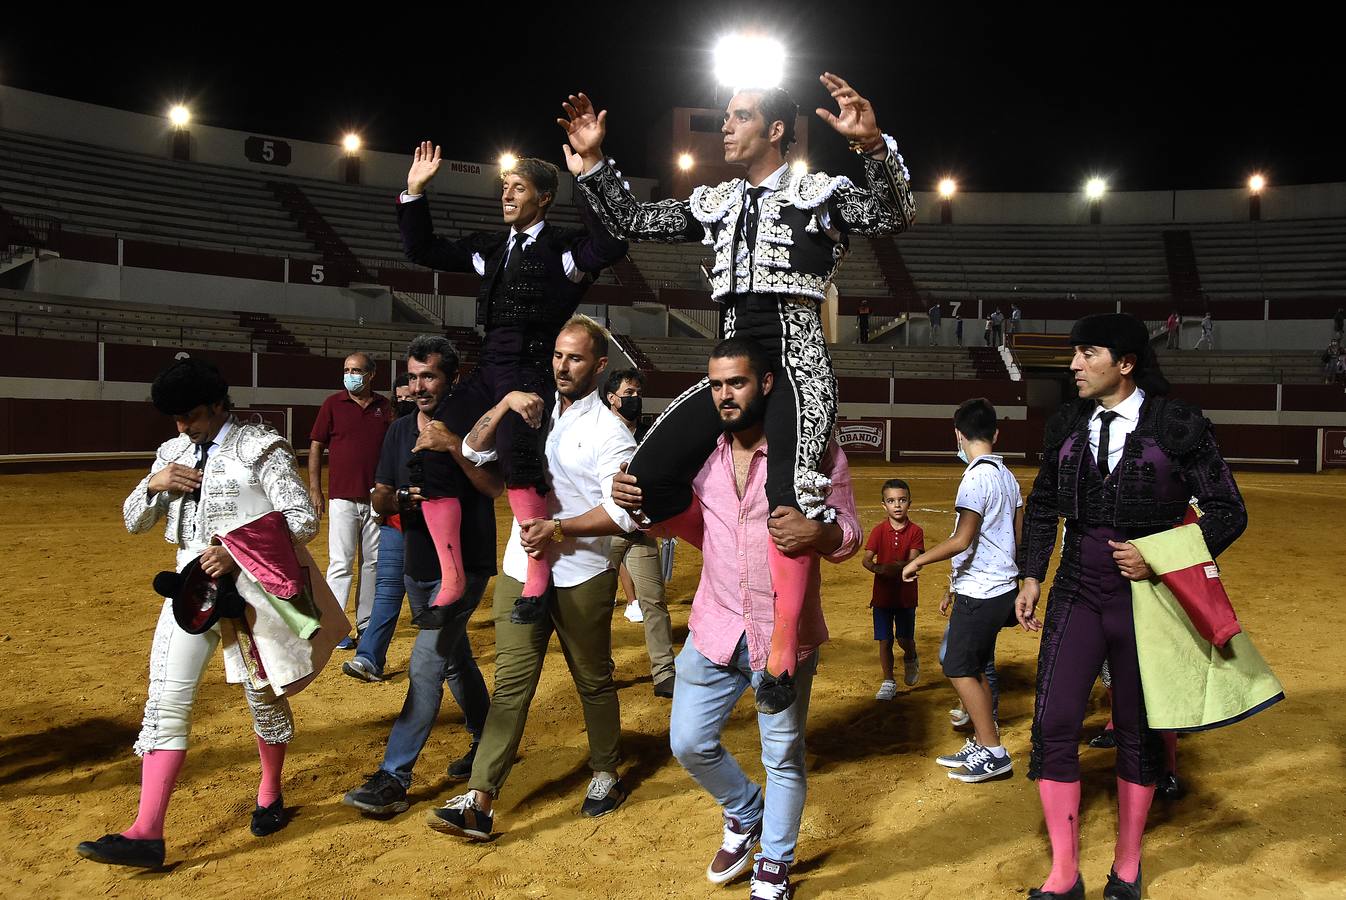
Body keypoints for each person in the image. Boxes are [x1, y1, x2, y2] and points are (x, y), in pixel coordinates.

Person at [559, 73, 914, 714]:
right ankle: (731, 550)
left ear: (775, 129)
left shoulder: (817, 195)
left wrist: (872, 149)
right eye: (727, 115)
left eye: (739, 116)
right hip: (731, 369)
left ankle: (781, 650)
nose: (725, 125)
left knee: (793, 500)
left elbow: (893, 214)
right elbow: (636, 219)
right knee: (645, 477)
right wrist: (594, 164)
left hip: (798, 366)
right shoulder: (715, 201)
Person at [611, 336, 861, 899]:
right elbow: (677, 522)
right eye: (717, 385)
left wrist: (818, 533)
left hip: (783, 636)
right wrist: (636, 499)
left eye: (738, 383)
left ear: (766, 384)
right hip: (716, 622)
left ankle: (775, 863)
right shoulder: (699, 454)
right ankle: (745, 811)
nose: (725, 395)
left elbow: (849, 536)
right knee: (688, 742)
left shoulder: (816, 454)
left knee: (783, 756)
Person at [77, 358, 348, 869]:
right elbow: (134, 522)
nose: (183, 427)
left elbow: (304, 518)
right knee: (166, 698)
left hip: (253, 587)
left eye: (192, 416)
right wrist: (154, 484)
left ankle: (269, 793)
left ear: (219, 403)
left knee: (262, 697)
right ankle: (146, 832)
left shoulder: (259, 446)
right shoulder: (172, 453)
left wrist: (237, 548)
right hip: (189, 586)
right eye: (176, 419)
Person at [1014, 313, 1247, 900]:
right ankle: (1064, 873)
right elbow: (1043, 505)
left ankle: (1128, 864)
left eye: (1086, 353)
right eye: (1074, 353)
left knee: (1139, 730)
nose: (1072, 365)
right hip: (1076, 590)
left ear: (1125, 362)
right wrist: (1031, 574)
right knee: (1053, 722)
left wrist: (1161, 557)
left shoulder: (1177, 423)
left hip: (1150, 599)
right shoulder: (1066, 422)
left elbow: (1227, 510)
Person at [397, 144, 628, 626]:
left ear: (544, 199)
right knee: (431, 449)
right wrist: (415, 192)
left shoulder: (565, 248)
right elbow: (422, 249)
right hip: (487, 371)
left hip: (530, 371)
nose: (506, 194)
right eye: (504, 187)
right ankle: (453, 579)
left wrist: (587, 176)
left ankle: (537, 579)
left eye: (518, 188)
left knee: (519, 455)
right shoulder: (492, 249)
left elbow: (611, 245)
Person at [427, 317, 638, 840]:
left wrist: (559, 527)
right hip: (521, 571)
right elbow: (474, 450)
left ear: (600, 366)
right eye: (559, 355)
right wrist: (502, 405)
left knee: (592, 679)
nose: (563, 366)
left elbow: (626, 514)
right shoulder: (530, 409)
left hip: (582, 572)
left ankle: (606, 772)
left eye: (576, 358)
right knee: (511, 686)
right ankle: (480, 799)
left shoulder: (611, 432)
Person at [341, 336, 504, 813]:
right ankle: (486, 741)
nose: (418, 385)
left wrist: (453, 445)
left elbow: (494, 487)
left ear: (449, 378)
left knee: (426, 665)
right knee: (455, 660)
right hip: (419, 564)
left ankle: (395, 777)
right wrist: (398, 500)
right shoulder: (396, 432)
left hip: (466, 566)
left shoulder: (473, 426)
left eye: (429, 375)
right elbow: (379, 496)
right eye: (412, 377)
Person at [903, 398, 1022, 783]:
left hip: (982, 588)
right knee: (976, 665)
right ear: (996, 434)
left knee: (957, 665)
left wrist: (919, 561)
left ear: (958, 434)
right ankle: (982, 740)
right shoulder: (1008, 475)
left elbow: (961, 539)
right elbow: (1018, 535)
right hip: (1002, 584)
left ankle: (993, 752)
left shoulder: (974, 477)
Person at [602, 367, 677, 697]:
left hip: (639, 529)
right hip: (604, 530)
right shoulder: (597, 432)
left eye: (637, 394)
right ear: (612, 398)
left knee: (654, 602)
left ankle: (664, 672)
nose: (635, 399)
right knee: (598, 605)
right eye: (628, 394)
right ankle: (601, 670)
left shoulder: (648, 433)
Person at [309, 352, 391, 647]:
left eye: (356, 370)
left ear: (371, 374)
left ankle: (366, 623)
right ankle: (335, 625)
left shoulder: (385, 406)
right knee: (340, 563)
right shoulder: (333, 404)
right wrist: (315, 489)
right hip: (342, 498)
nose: (350, 375)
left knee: (373, 563)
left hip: (376, 498)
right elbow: (316, 447)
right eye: (346, 370)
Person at [343, 373, 417, 681]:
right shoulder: (396, 431)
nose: (404, 403)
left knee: (431, 604)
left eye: (409, 398)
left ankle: (448, 662)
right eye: (399, 398)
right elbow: (383, 480)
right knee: (386, 590)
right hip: (396, 524)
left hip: (435, 530)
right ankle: (369, 657)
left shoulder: (444, 430)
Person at [862, 478, 924, 700]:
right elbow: (867, 560)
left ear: (909, 503)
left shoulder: (916, 531)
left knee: (904, 638)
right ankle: (888, 680)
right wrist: (881, 570)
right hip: (882, 597)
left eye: (902, 500)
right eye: (891, 501)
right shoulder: (879, 531)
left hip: (906, 597)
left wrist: (894, 568)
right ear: (884, 505)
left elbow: (913, 560)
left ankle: (911, 656)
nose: (897, 505)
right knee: (885, 640)